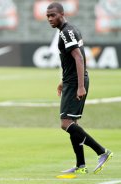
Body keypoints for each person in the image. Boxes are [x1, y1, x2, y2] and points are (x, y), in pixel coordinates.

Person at [46, 2, 113, 174]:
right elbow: (72, 59)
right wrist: (64, 80)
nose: (50, 19)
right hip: (71, 80)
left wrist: (80, 85)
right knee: (72, 123)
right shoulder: (68, 30)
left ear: (62, 14)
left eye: (53, 15)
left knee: (65, 123)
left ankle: (102, 151)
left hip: (76, 82)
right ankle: (81, 165)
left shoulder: (67, 32)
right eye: (48, 16)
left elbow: (79, 58)